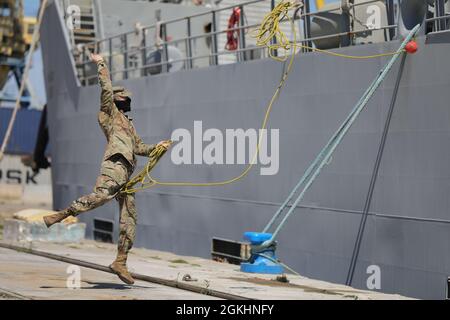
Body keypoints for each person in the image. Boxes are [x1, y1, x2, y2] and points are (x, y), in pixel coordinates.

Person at [43, 53, 171, 285]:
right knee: (101, 197)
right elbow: (105, 89)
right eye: (124, 98)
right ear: (116, 99)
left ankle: (120, 261)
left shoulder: (128, 125)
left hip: (127, 174)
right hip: (114, 166)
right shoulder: (108, 114)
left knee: (130, 217)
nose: (128, 101)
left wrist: (158, 148)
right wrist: (101, 64)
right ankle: (63, 214)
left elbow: (139, 147)